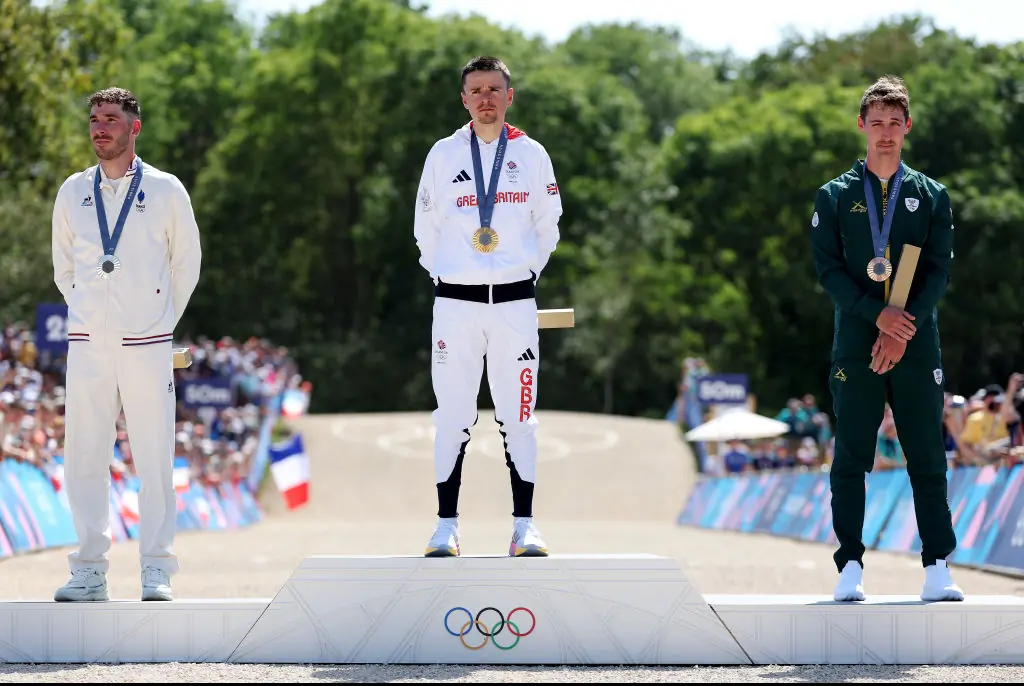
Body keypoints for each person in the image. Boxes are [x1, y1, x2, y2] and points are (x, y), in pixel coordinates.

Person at [810, 75, 963, 602]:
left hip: (917, 342)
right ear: (861, 126)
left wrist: (903, 328)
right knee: (852, 454)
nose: (886, 133)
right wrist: (877, 318)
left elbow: (939, 272)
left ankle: (938, 565)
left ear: (908, 127)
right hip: (857, 338)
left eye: (895, 123)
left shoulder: (931, 195)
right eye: (876, 122)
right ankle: (849, 563)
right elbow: (828, 271)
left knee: (927, 454)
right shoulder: (834, 196)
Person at [50, 87, 202, 601]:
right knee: (85, 454)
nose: (100, 127)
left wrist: (157, 321)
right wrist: (88, 313)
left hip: (148, 341)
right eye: (94, 118)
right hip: (88, 341)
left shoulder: (165, 190)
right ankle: (89, 569)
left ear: (134, 128)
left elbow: (187, 264)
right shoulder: (73, 190)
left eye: (111, 119)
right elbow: (63, 268)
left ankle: (156, 568)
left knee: (154, 455)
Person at [413, 56, 562, 557]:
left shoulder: (533, 154)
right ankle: (446, 526)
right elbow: (424, 230)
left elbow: (549, 225)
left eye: (494, 89)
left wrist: (523, 274)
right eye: (475, 90)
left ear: (509, 95)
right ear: (463, 99)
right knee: (451, 415)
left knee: (519, 416)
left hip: (515, 307)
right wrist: (451, 277)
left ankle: (525, 527)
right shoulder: (442, 153)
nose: (485, 98)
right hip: (455, 306)